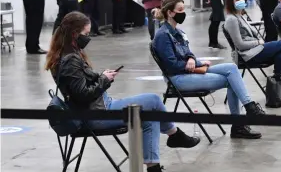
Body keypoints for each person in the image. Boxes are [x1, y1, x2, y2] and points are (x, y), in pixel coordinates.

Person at [45, 11, 200, 172]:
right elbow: (83, 95)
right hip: (97, 114)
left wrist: (101, 76)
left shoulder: (66, 53)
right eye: (85, 34)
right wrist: (104, 79)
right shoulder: (71, 59)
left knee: (150, 115)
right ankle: (174, 135)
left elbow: (79, 86)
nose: (88, 37)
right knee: (153, 100)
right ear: (74, 33)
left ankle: (154, 166)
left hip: (96, 108)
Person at [153, 0, 265, 139]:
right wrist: (191, 64)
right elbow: (172, 66)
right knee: (231, 81)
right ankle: (240, 123)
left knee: (231, 68)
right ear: (170, 13)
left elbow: (189, 53)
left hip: (188, 71)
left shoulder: (179, 32)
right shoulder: (163, 35)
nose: (183, 13)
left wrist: (193, 60)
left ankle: (248, 108)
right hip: (178, 78)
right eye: (180, 10)